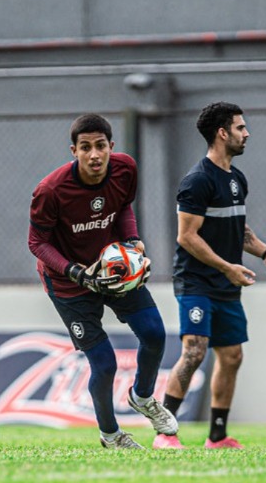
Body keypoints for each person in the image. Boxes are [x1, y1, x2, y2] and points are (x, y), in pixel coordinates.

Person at [28, 113, 178, 449]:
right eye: (85, 148)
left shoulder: (125, 169)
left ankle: (142, 397)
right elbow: (37, 243)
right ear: (74, 151)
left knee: (154, 332)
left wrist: (133, 240)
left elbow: (122, 206)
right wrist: (77, 273)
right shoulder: (50, 190)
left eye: (100, 146)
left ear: (111, 146)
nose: (94, 154)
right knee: (105, 363)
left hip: (114, 271)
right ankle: (111, 435)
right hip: (68, 284)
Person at [153, 102, 266, 450]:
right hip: (196, 283)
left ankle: (217, 436)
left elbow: (238, 229)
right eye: (241, 127)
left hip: (226, 285)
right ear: (222, 133)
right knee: (195, 352)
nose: (247, 133)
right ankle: (165, 433)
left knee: (231, 357)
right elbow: (187, 236)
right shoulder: (197, 181)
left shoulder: (236, 178)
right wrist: (228, 267)